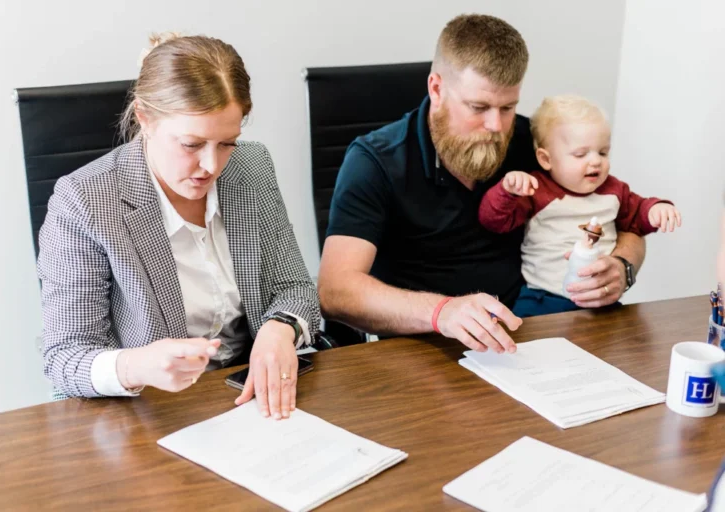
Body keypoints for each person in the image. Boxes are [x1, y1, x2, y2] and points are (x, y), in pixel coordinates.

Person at [318, 14, 646, 354]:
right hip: (424, 344)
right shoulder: (376, 161)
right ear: (437, 88)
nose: (495, 125)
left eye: (507, 107)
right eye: (478, 107)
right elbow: (336, 291)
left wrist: (623, 266)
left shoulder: (530, 142)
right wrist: (442, 312)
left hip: (526, 332)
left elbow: (625, 216)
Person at [37, 33, 320, 420]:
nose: (211, 166)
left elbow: (295, 287)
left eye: (227, 143)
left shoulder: (251, 169)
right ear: (145, 118)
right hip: (149, 410)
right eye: (191, 144)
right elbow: (64, 355)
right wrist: (137, 365)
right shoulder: (84, 201)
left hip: (248, 395)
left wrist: (279, 327)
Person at [478, 95, 681, 317]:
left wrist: (656, 209)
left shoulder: (614, 191)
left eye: (603, 152)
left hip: (599, 300)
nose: (595, 161)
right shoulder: (536, 189)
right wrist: (507, 191)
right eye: (581, 154)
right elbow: (494, 221)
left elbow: (637, 216)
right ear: (546, 159)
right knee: (519, 339)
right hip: (542, 298)